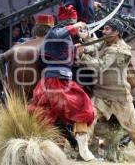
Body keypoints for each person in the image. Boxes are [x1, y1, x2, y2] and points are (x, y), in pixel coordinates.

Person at [78, 18, 135, 160]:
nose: (103, 31)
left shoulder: (120, 50)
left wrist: (82, 55)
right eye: (104, 28)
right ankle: (83, 153)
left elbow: (100, 66)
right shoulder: (106, 41)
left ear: (116, 32)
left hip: (120, 97)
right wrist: (82, 47)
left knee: (134, 130)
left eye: (107, 29)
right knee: (87, 118)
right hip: (100, 93)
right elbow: (93, 47)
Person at [28, 12, 95, 161]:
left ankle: (54, 154)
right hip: (57, 82)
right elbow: (59, 32)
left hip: (54, 81)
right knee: (83, 107)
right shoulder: (55, 31)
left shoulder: (65, 39)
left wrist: (77, 51)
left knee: (50, 117)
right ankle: (83, 150)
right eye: (72, 22)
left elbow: (66, 59)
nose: (74, 24)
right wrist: (76, 25)